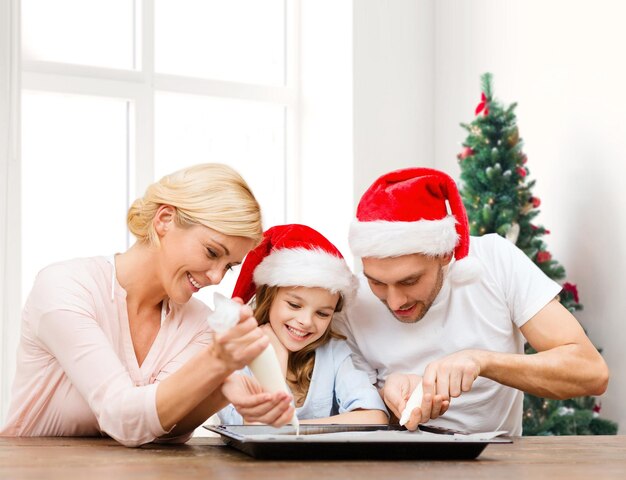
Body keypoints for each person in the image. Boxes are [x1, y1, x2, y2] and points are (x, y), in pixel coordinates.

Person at [0, 163, 294, 446]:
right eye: (211, 252)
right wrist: (215, 365)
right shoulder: (66, 287)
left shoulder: (198, 323)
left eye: (229, 266)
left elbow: (159, 430)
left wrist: (220, 390)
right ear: (165, 219)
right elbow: (122, 417)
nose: (217, 277)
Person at [337, 167, 609, 435]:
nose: (395, 301)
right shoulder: (351, 300)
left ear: (445, 254)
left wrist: (483, 362)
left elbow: (590, 372)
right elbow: (352, 412)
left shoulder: (495, 261)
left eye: (409, 281)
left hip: (496, 463)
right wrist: (388, 397)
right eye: (377, 283)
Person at [218, 224, 389, 425]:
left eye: (323, 313)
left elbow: (374, 417)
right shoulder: (234, 355)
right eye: (294, 305)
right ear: (269, 297)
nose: (306, 321)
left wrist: (292, 429)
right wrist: (276, 362)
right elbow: (254, 428)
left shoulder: (334, 353)